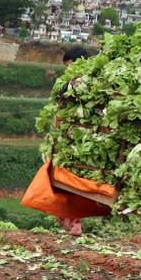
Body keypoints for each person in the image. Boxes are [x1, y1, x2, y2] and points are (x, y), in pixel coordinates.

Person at [56, 47, 90, 237]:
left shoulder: (81, 81)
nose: (68, 71)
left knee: (66, 176)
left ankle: (72, 221)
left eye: (70, 66)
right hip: (81, 137)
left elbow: (63, 97)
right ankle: (71, 220)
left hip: (81, 138)